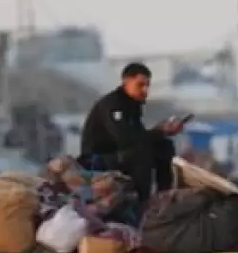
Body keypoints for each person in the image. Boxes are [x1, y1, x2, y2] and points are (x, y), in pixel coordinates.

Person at [78, 62, 187, 206]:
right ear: (126, 82)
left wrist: (162, 132)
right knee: (140, 153)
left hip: (120, 154)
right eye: (140, 85)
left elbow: (138, 136)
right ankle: (143, 203)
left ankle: (164, 195)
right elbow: (126, 139)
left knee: (164, 146)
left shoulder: (132, 106)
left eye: (147, 85)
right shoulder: (113, 104)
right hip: (97, 159)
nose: (145, 90)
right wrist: (160, 131)